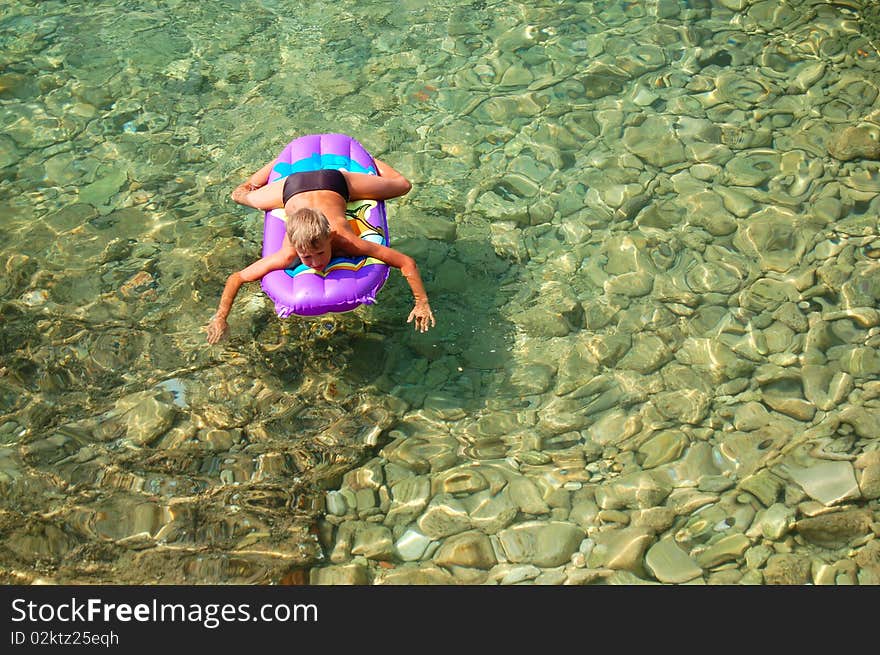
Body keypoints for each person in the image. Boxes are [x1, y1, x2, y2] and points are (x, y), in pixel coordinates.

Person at [205, 150, 435, 344]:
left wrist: (421, 303)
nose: (316, 262)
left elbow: (406, 262)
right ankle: (277, 161)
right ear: (296, 248)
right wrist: (220, 318)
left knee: (403, 185)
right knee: (240, 194)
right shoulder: (288, 253)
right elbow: (237, 278)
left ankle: (369, 159)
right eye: (306, 257)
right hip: (291, 188)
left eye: (321, 253)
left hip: (334, 182)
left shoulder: (346, 240)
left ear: (329, 236)